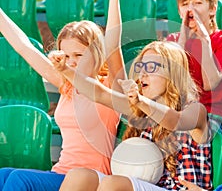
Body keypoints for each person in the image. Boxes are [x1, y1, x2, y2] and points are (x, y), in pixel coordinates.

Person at [0, 0, 125, 189]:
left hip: (91, 178)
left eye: (78, 54)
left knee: (19, 179)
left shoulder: (110, 88)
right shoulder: (67, 86)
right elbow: (23, 47)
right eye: (66, 56)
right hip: (61, 173)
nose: (72, 62)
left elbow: (114, 45)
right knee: (3, 175)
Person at [53, 40, 212, 190]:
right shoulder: (141, 110)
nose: (142, 74)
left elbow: (175, 121)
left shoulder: (195, 110)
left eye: (151, 67)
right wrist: (64, 70)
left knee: (114, 184)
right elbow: (100, 94)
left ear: (173, 74)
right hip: (148, 186)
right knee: (80, 175)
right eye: (140, 68)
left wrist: (140, 101)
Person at [166, 0, 222, 129]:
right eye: (185, 4)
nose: (190, 9)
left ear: (212, 9)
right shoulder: (173, 41)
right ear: (180, 12)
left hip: (211, 116)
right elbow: (171, 83)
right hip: (178, 113)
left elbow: (210, 84)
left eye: (197, 3)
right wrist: (182, 43)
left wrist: (205, 42)